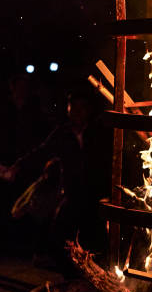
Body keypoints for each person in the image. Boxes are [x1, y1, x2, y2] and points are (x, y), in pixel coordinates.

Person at [0, 93, 111, 267]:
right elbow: (41, 152)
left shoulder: (97, 132)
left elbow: (110, 158)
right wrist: (17, 166)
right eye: (73, 108)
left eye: (81, 108)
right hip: (72, 192)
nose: (77, 112)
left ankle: (100, 270)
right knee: (61, 231)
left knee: (96, 234)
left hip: (94, 193)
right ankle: (67, 270)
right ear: (68, 110)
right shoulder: (63, 133)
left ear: (88, 111)